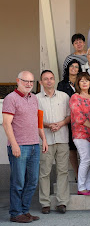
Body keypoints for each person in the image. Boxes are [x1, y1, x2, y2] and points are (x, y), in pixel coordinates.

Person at [3, 71, 48, 223]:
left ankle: (24, 210)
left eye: (31, 81)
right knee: (18, 182)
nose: (29, 84)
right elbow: (6, 123)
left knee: (32, 181)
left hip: (34, 145)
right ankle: (15, 213)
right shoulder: (11, 98)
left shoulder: (34, 98)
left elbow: (38, 121)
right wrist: (14, 145)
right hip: (20, 146)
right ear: (18, 81)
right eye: (25, 81)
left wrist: (43, 139)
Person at [38, 70, 70, 215]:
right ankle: (45, 202)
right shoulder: (36, 99)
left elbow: (70, 116)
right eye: (46, 79)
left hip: (62, 138)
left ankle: (62, 202)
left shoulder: (64, 97)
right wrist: (48, 125)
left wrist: (61, 123)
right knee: (45, 172)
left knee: (62, 171)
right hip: (46, 140)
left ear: (55, 80)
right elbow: (35, 119)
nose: (49, 81)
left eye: (51, 78)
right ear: (41, 82)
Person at [69, 72, 90, 196]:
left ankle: (88, 185)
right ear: (78, 83)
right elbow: (78, 117)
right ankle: (81, 186)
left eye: (86, 80)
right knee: (86, 158)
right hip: (80, 133)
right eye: (81, 80)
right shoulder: (75, 97)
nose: (84, 82)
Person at [58, 60, 82, 178]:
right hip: (69, 118)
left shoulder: (82, 82)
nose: (73, 68)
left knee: (85, 148)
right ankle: (77, 174)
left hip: (82, 119)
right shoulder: (62, 84)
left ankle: (85, 173)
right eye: (71, 66)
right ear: (68, 68)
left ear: (79, 69)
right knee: (72, 147)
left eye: (76, 67)